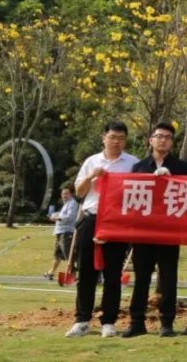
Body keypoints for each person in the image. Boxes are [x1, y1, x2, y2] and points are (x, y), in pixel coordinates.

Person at [65, 121, 139, 338]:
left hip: (117, 221)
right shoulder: (91, 161)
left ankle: (109, 322)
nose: (116, 142)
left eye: (121, 138)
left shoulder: (133, 163)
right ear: (103, 138)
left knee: (113, 274)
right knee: (86, 272)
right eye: (112, 137)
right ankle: (82, 320)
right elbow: (79, 192)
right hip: (92, 218)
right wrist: (91, 177)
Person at [123, 122, 187, 338]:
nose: (163, 140)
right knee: (142, 278)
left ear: (172, 142)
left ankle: (167, 322)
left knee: (168, 278)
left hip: (169, 231)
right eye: (159, 136)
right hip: (143, 232)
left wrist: (171, 180)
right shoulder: (139, 167)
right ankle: (136, 322)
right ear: (151, 140)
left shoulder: (183, 168)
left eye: (168, 137)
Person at [45, 188, 78, 281]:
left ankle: (73, 274)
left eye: (66, 194)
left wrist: (58, 218)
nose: (64, 196)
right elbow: (62, 214)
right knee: (57, 254)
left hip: (67, 232)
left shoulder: (72, 203)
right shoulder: (66, 204)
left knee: (69, 254)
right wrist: (54, 215)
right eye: (63, 194)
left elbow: (70, 216)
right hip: (60, 232)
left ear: (71, 194)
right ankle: (50, 273)